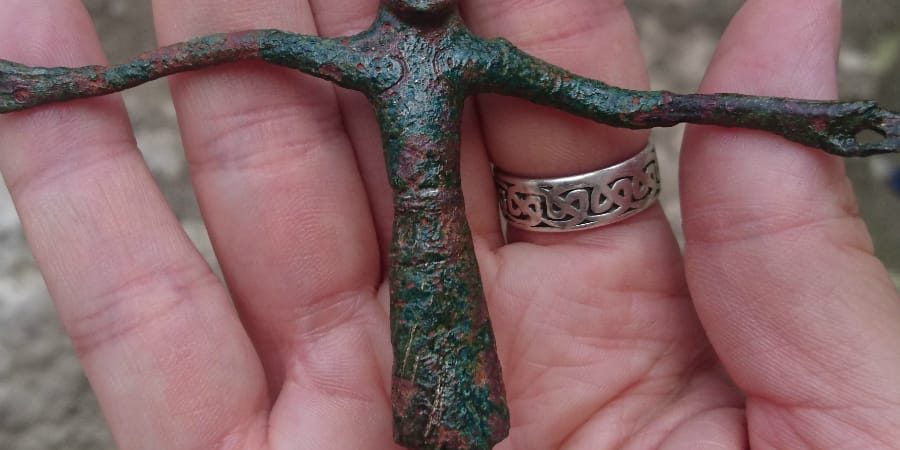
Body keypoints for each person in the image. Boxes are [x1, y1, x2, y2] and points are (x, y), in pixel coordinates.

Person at [1, 0, 898, 448]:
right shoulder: (368, 52)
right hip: (426, 253)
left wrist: (792, 116)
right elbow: (219, 48)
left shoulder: (473, 52)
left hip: (445, 257)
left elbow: (631, 105)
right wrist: (62, 85)